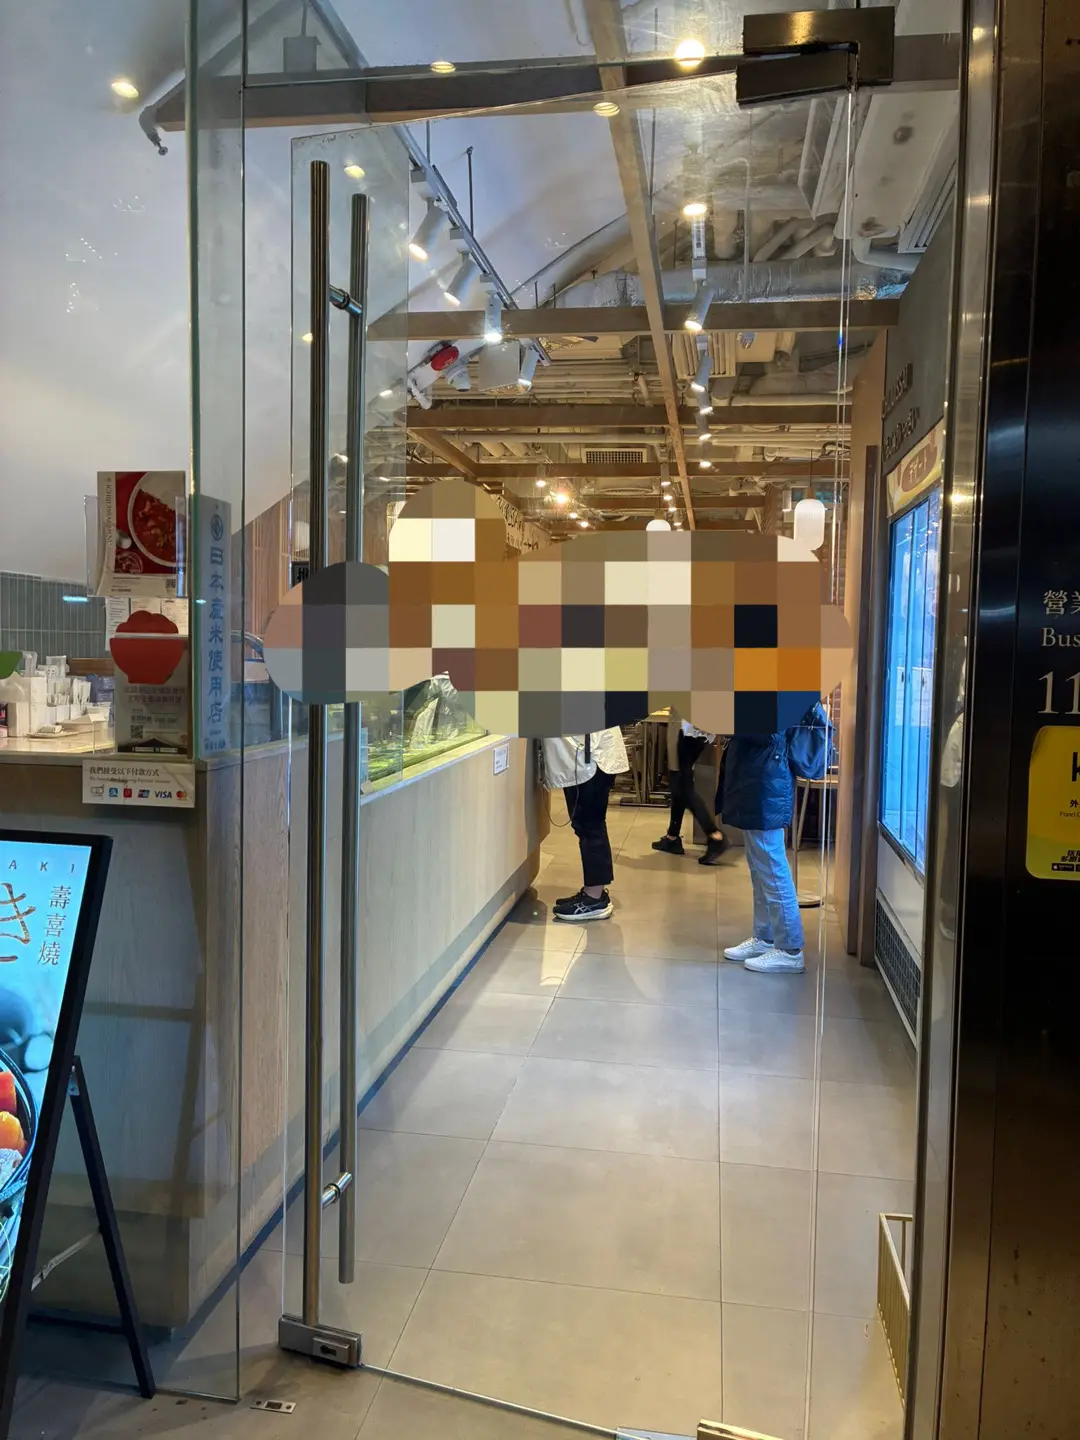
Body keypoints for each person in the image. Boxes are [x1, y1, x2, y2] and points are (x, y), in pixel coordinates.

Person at [719, 718, 816, 974]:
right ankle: (765, 937)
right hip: (759, 777)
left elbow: (770, 732)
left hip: (767, 780)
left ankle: (790, 950)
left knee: (772, 869)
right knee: (761, 868)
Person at [541, 729, 629, 921]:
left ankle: (594, 899)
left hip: (589, 758)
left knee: (590, 826)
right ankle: (595, 893)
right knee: (589, 825)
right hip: (588, 756)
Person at [652, 715, 729, 865]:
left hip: (685, 728)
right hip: (701, 730)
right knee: (680, 783)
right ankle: (672, 837)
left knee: (682, 786)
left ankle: (714, 835)